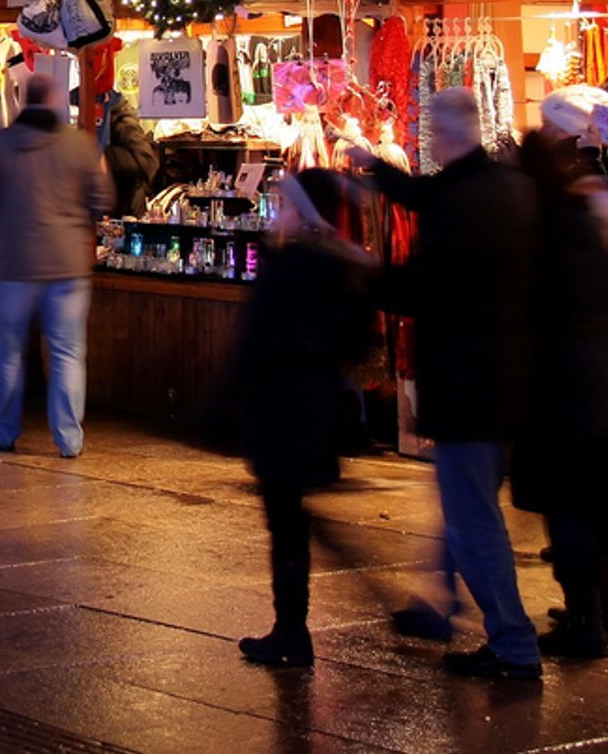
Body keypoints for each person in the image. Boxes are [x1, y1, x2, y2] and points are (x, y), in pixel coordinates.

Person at [351, 86, 542, 681]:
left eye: (430, 128)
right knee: (465, 503)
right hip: (504, 374)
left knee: (471, 516)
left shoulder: (464, 201)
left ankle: (514, 641)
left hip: (467, 378)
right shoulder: (504, 187)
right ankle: (445, 605)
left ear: (444, 133)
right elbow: (426, 193)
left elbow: (431, 283)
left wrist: (360, 276)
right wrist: (378, 169)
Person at [232, 169, 375, 668]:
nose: (277, 213)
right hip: (317, 404)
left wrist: (224, 407)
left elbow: (255, 343)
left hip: (282, 405)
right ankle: (292, 628)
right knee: (294, 519)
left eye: (284, 205)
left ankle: (291, 631)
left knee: (286, 522)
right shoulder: (344, 267)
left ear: (303, 212)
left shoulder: (289, 266)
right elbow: (360, 341)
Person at [510, 132, 608, 659]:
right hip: (605, 391)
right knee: (598, 507)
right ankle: (606, 613)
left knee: (567, 510)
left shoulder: (542, 231)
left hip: (564, 396)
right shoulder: (584, 224)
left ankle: (587, 622)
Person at [0, 73, 114, 457]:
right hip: (68, 266)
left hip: (17, 264)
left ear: (22, 100)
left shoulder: (0, 145)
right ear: (53, 102)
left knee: (10, 351)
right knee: (67, 352)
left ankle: (2, 432)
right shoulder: (80, 146)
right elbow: (103, 198)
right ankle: (69, 440)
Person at [98, 91, 160, 217]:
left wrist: (106, 157)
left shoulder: (122, 122)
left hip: (126, 208)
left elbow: (148, 162)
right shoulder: (104, 123)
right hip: (112, 207)